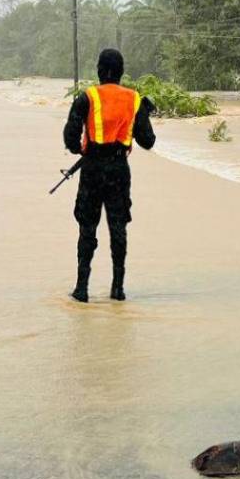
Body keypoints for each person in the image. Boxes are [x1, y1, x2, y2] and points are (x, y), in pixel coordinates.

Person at [62, 49, 156, 302]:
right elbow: (148, 141)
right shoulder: (134, 99)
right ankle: (118, 289)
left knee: (87, 227)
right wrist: (145, 112)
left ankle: (82, 289)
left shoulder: (87, 97)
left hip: (91, 168)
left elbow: (70, 138)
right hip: (118, 170)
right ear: (122, 71)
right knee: (118, 228)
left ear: (99, 71)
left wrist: (81, 148)